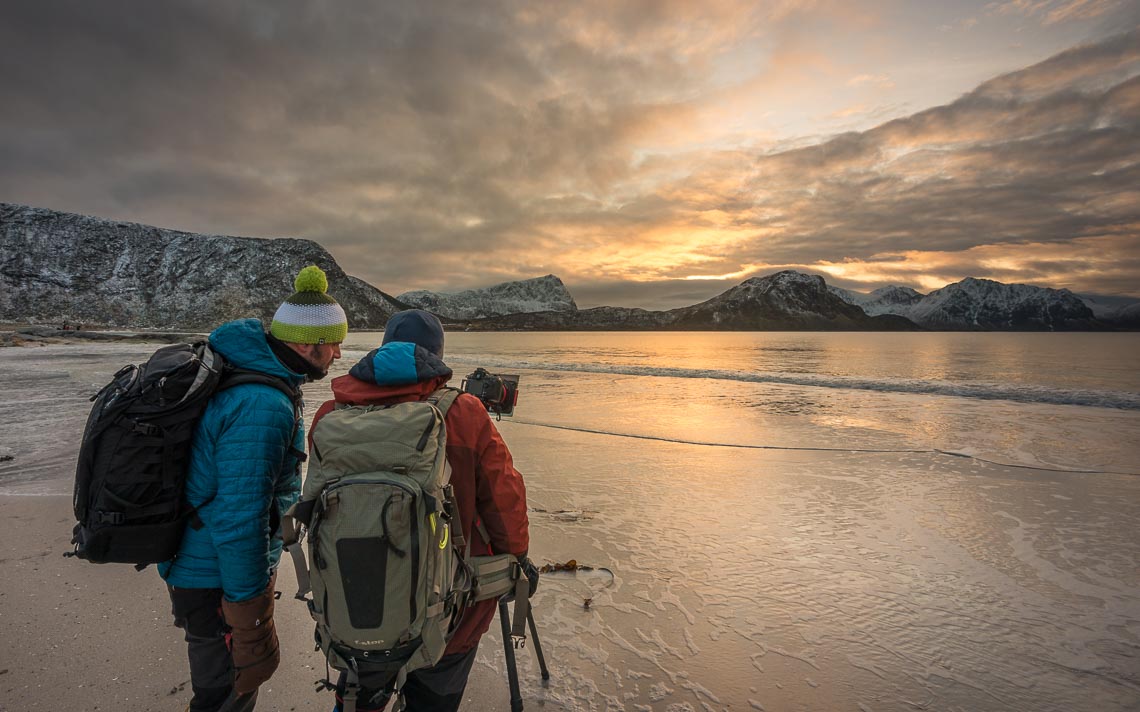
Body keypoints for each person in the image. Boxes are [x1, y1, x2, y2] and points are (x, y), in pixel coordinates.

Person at [311, 309, 530, 712]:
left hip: (352, 600)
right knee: (435, 694)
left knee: (363, 689)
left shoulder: (331, 415)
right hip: (449, 610)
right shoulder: (464, 412)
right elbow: (506, 502)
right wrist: (517, 560)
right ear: (436, 356)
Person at [159, 265, 348, 712]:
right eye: (334, 344)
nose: (339, 354)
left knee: (224, 689)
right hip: (216, 577)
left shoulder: (256, 376)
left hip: (203, 563)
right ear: (307, 345)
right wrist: (246, 612)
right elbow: (240, 516)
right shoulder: (263, 404)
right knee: (227, 695)